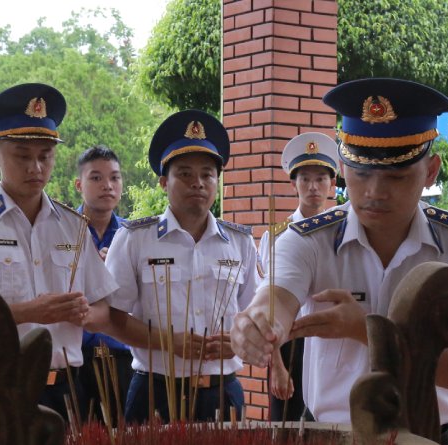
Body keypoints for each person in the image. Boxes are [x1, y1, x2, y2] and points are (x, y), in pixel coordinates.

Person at [230, 78, 448, 445]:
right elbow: (276, 295)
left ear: (431, 169)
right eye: (358, 174)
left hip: (426, 443)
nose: (374, 192)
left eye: (396, 177)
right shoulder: (309, 239)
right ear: (343, 168)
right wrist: (258, 322)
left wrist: (368, 331)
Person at [0, 83, 117, 421]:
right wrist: (27, 312)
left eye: (45, 157)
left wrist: (82, 313)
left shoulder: (73, 226)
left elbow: (103, 308)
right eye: (22, 156)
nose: (35, 167)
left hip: (65, 390)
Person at [104, 109, 258, 423]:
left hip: (222, 392)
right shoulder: (134, 239)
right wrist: (167, 342)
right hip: (155, 392)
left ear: (217, 181)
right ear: (164, 181)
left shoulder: (240, 242)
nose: (197, 183)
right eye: (184, 174)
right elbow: (112, 317)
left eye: (207, 174)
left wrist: (239, 343)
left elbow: (253, 313)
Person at [258, 132, 339, 422]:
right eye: (305, 179)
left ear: (332, 184)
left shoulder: (341, 236)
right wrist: (276, 365)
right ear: (294, 184)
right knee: (286, 435)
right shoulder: (276, 237)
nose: (313, 187)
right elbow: (269, 312)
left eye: (321, 178)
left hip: (330, 344)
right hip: (289, 345)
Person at [73, 145, 133, 423]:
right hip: (75, 358)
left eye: (115, 178)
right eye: (96, 178)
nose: (107, 186)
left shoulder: (132, 236)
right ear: (78, 185)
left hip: (122, 358)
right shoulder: (60, 230)